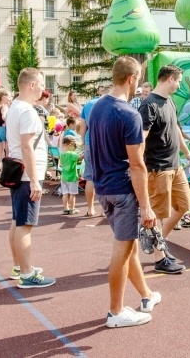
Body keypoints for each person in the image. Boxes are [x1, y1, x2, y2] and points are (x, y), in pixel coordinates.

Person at [89, 56, 160, 327]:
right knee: (123, 249)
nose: (139, 82)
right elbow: (137, 165)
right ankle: (115, 312)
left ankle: (146, 295)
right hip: (122, 191)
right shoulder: (129, 114)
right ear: (132, 79)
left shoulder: (97, 107)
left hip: (105, 189)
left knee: (128, 248)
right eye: (139, 77)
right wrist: (146, 206)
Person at [138, 64, 190, 274]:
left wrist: (188, 154)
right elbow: (141, 139)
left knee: (183, 206)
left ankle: (159, 243)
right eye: (179, 81)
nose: (180, 84)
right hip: (158, 168)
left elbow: (176, 130)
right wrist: (137, 166)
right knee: (158, 214)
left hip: (176, 165)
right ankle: (159, 258)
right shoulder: (148, 105)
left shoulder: (170, 101)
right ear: (170, 78)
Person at [6, 68, 56, 289]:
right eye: (42, 85)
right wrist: (35, 179)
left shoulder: (15, 107)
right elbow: (26, 145)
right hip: (27, 175)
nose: (43, 90)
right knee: (25, 225)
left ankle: (20, 266)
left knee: (18, 222)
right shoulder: (26, 111)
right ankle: (26, 274)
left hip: (21, 172)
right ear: (31, 85)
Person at [78, 85, 108, 217]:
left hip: (90, 142)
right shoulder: (109, 104)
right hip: (105, 143)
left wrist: (84, 142)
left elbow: (83, 126)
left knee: (89, 176)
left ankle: (90, 209)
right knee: (105, 176)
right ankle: (104, 209)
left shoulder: (88, 104)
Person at [59, 135, 82, 215]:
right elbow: (80, 158)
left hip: (64, 177)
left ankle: (65, 208)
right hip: (72, 177)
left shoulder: (62, 154)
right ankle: (72, 209)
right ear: (70, 144)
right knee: (72, 194)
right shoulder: (72, 154)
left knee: (65, 193)